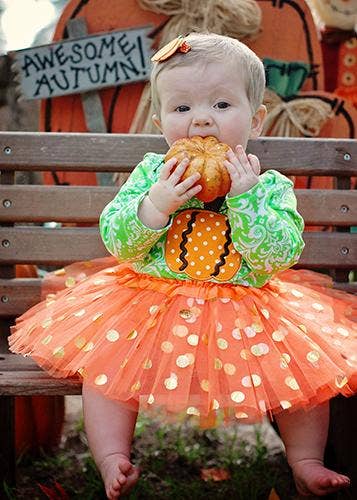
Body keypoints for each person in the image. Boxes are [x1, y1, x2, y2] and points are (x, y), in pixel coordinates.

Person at [9, 33, 357, 499]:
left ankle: (306, 460)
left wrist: (245, 198)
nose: (202, 121)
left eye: (221, 104)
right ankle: (112, 457)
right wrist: (156, 205)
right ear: (160, 123)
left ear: (256, 119)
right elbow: (120, 241)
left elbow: (279, 254)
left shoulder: (268, 186)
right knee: (106, 370)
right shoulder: (153, 175)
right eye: (181, 109)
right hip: (148, 307)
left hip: (248, 310)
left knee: (304, 372)